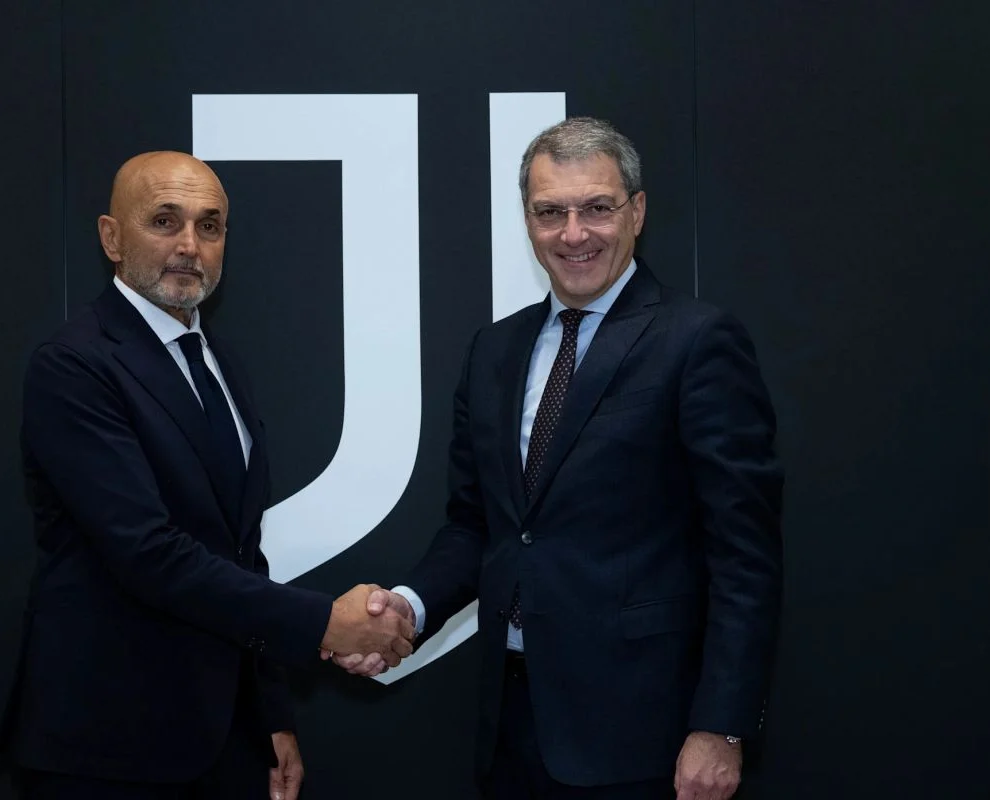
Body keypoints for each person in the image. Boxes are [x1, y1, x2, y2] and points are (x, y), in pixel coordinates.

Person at [331, 118, 784, 800]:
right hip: (511, 724)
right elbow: (478, 525)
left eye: (597, 208)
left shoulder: (697, 341)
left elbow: (745, 552)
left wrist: (721, 725)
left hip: (647, 734)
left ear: (637, 211)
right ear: (528, 220)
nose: (573, 234)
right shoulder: (494, 350)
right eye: (551, 213)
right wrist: (409, 608)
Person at [0, 151, 414, 800]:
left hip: (223, 738)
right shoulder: (74, 366)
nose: (190, 245)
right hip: (108, 745)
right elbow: (148, 553)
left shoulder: (216, 360)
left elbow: (239, 552)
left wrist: (269, 712)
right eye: (165, 221)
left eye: (209, 226)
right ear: (111, 237)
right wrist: (324, 623)